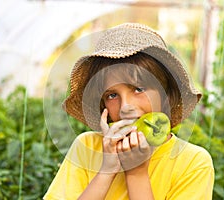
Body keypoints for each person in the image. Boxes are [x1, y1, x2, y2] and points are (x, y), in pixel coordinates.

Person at [43, 23, 214, 200]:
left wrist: (136, 173)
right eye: (112, 95)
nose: (125, 107)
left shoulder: (193, 162)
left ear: (165, 96)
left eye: (138, 89)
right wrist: (106, 171)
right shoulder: (87, 147)